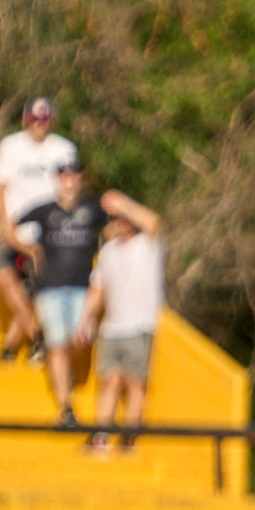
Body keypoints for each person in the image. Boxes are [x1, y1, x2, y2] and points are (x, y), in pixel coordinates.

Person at [10, 158, 105, 429]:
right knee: (57, 346)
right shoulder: (44, 210)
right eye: (64, 175)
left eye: (74, 175)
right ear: (57, 179)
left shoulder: (92, 206)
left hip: (82, 287)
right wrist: (30, 251)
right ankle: (66, 407)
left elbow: (114, 227)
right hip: (50, 287)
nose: (69, 180)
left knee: (82, 339)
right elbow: (10, 226)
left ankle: (70, 380)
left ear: (80, 179)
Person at [79, 191, 164, 454]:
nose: (123, 221)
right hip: (111, 328)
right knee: (110, 380)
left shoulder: (148, 245)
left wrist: (124, 203)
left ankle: (129, 438)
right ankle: (101, 436)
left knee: (135, 382)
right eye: (118, 217)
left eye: (127, 218)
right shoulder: (108, 252)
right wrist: (86, 318)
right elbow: (98, 289)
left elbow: (153, 222)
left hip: (139, 325)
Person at [0, 97, 76, 365]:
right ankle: (36, 334)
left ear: (51, 121)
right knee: (6, 280)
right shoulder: (10, 146)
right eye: (35, 119)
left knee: (40, 291)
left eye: (45, 119)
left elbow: (70, 191)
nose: (40, 124)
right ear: (26, 119)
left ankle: (12, 344)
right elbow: (0, 187)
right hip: (15, 227)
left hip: (48, 233)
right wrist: (7, 226)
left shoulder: (64, 149)